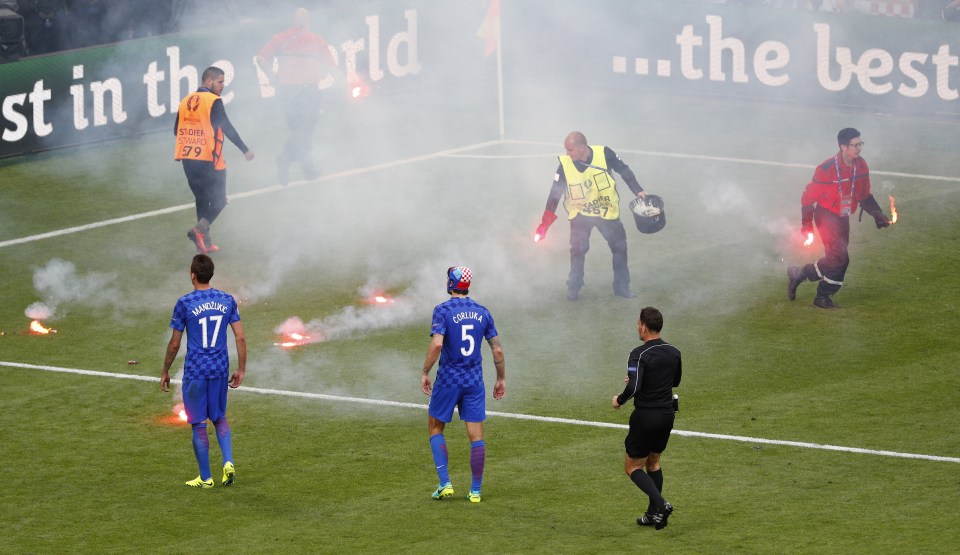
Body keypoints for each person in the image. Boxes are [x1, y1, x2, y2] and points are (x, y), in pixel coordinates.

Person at [420, 266, 506, 503]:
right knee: (476, 436)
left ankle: (445, 482)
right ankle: (475, 491)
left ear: (450, 283)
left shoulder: (443, 310)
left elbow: (437, 345)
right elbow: (497, 349)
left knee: (435, 427)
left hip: (448, 379)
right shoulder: (483, 312)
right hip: (474, 381)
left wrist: (425, 371)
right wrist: (500, 378)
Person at [160, 254, 247, 488]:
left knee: (199, 424)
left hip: (196, 371)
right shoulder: (227, 299)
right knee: (219, 418)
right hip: (220, 369)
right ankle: (228, 461)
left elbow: (175, 344)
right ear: (211, 274)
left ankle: (206, 478)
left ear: (192, 275)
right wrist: (241, 369)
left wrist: (165, 370)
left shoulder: (185, 303)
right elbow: (240, 336)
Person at [534, 131, 649, 301]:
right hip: (580, 213)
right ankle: (573, 288)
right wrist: (544, 225)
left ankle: (621, 287)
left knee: (620, 247)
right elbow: (554, 194)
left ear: (582, 148)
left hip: (606, 211)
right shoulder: (565, 165)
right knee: (578, 250)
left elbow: (623, 169)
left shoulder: (604, 153)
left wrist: (638, 190)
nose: (567, 154)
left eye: (570, 150)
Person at [787, 128, 890, 309]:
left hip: (842, 217)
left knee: (835, 258)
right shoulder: (825, 169)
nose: (859, 148)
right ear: (843, 146)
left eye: (861, 144)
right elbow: (808, 198)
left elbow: (864, 194)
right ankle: (822, 296)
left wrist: (877, 213)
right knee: (841, 259)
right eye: (855, 145)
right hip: (825, 216)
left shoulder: (862, 165)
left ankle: (799, 273)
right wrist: (806, 225)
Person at [611, 306, 682, 530]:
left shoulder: (638, 353)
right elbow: (675, 381)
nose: (637, 329)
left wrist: (619, 400)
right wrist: (642, 380)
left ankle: (661, 504)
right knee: (654, 463)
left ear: (644, 326)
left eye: (638, 325)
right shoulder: (674, 351)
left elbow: (633, 388)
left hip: (646, 416)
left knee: (632, 467)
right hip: (667, 415)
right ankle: (652, 515)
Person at [174, 66, 255, 254]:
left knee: (201, 199)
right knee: (219, 200)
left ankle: (204, 243)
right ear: (208, 81)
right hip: (209, 159)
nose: (222, 86)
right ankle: (198, 231)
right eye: (220, 82)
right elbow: (226, 126)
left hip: (188, 159)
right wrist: (245, 149)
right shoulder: (213, 100)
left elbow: (177, 130)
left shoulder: (185, 101)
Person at [255, 8, 335, 185]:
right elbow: (332, 64)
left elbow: (260, 58)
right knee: (305, 130)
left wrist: (272, 76)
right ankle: (285, 158)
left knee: (298, 130)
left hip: (286, 90)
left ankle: (308, 169)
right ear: (308, 21)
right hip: (308, 90)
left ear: (294, 21)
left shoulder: (280, 38)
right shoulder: (317, 39)